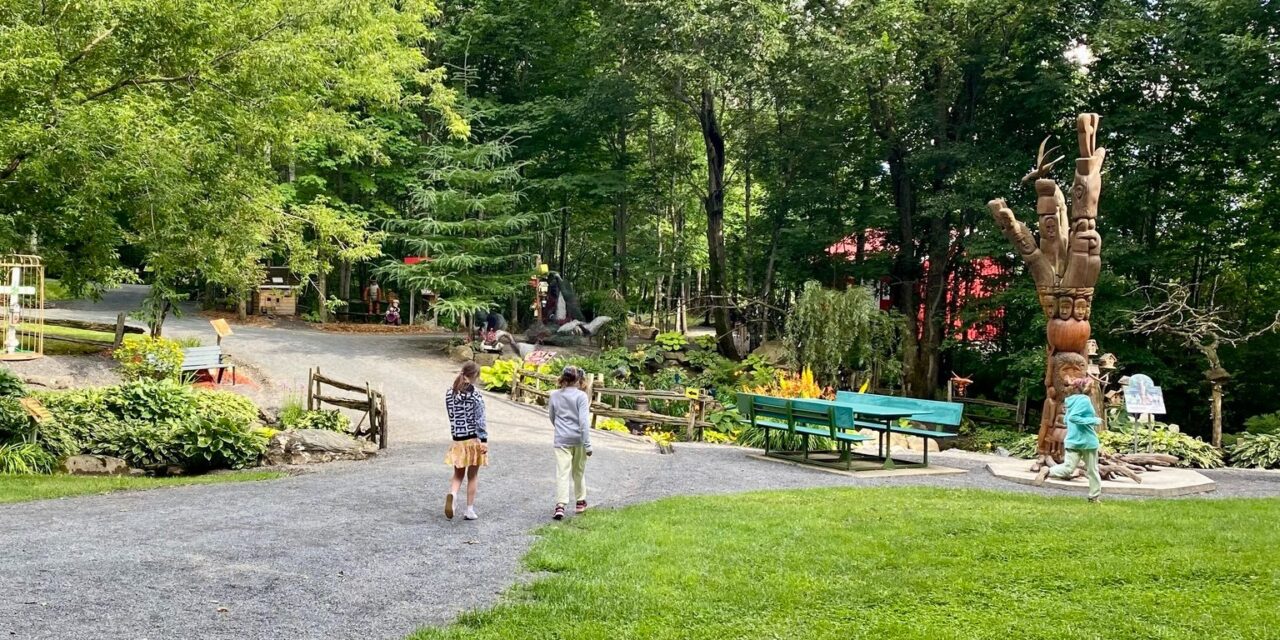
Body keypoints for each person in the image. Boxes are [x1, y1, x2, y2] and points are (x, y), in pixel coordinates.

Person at [444, 361, 487, 520]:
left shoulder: (450, 393)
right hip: (473, 439)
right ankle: (469, 509)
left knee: (458, 475)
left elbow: (451, 416)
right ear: (476, 376)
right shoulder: (475, 395)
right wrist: (483, 440)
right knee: (473, 475)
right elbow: (480, 419)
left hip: (457, 439)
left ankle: (453, 494)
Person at [1047, 380, 1104, 502]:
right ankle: (1094, 498)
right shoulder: (1084, 400)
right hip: (1087, 441)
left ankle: (1048, 471)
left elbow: (1067, 420)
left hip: (1072, 440)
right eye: (1092, 387)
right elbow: (1073, 418)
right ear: (1085, 388)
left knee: (1068, 468)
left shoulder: (1070, 401)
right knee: (1093, 471)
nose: (1093, 389)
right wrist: (1094, 421)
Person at [548, 366, 592, 520]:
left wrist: (561, 429)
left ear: (564, 378)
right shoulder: (581, 397)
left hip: (561, 440)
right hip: (578, 440)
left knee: (562, 472)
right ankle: (580, 502)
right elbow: (584, 422)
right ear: (579, 380)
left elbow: (552, 417)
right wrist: (588, 445)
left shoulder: (554, 395)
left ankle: (560, 505)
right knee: (578, 471)